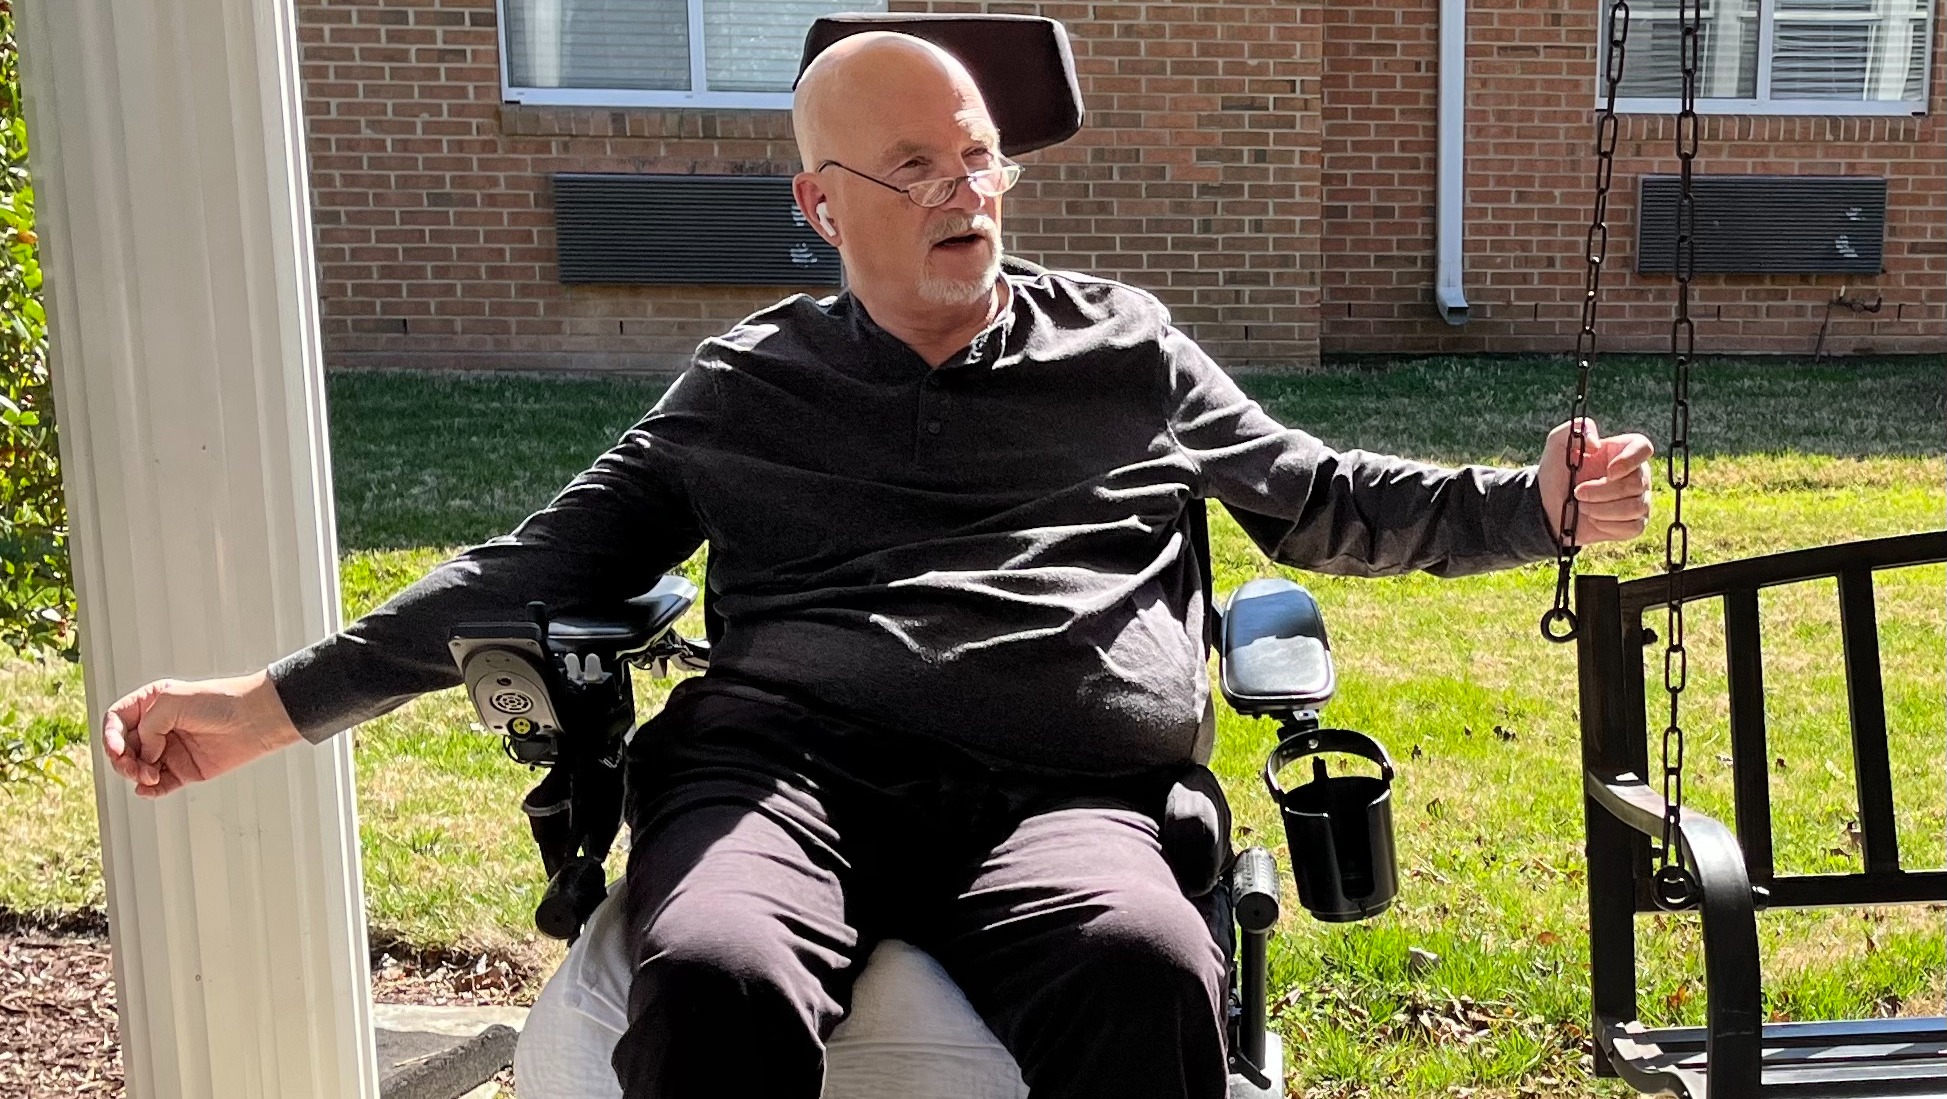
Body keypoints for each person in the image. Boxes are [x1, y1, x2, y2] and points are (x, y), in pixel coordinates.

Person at [99, 31, 1653, 1099]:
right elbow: (531, 569)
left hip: (1068, 794)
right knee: (711, 974)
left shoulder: (1125, 352)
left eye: (978, 157)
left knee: (1140, 965)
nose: (964, 189)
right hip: (788, 775)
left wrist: (1532, 506)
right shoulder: (748, 385)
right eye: (913, 165)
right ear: (819, 204)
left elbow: (1318, 501)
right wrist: (262, 709)